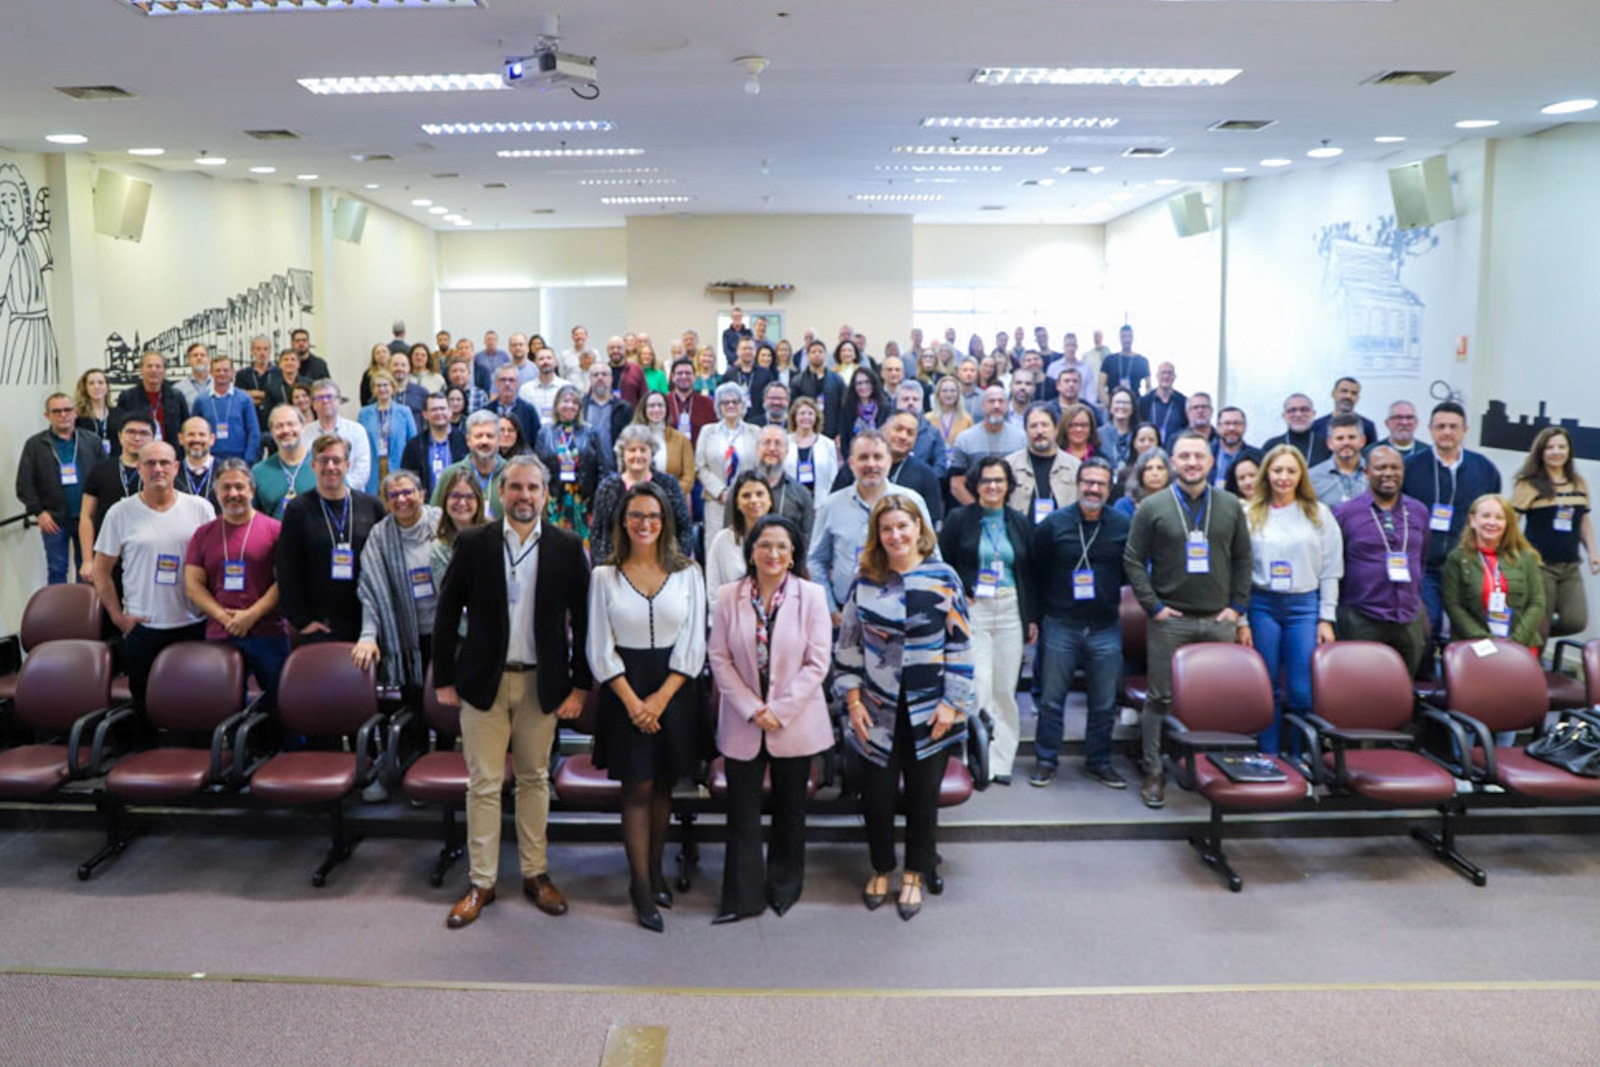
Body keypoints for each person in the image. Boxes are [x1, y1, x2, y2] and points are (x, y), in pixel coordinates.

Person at [434, 455, 591, 929]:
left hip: (543, 683)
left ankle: (535, 873)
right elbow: (445, 612)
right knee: (482, 784)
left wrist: (581, 684)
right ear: (500, 494)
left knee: (534, 779)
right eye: (516, 487)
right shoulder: (475, 542)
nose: (524, 496)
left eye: (533, 488)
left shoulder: (566, 546)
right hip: (483, 681)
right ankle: (481, 881)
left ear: (546, 494)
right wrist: (443, 678)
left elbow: (584, 621)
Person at [837, 495, 974, 922]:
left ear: (919, 527)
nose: (895, 535)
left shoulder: (943, 576)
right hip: (875, 713)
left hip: (931, 713)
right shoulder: (865, 581)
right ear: (877, 536)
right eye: (886, 529)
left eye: (903, 526)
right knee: (875, 797)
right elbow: (848, 648)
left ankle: (915, 871)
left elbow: (962, 645)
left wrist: (953, 705)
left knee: (922, 798)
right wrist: (853, 701)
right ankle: (881, 867)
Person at [587, 482, 708, 932]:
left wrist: (660, 697)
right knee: (636, 788)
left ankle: (656, 872)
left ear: (666, 521)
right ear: (623, 520)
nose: (645, 524)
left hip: (675, 691)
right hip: (625, 692)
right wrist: (634, 701)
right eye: (636, 515)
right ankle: (640, 886)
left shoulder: (688, 572)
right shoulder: (605, 575)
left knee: (662, 787)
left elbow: (695, 640)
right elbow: (598, 646)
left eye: (653, 516)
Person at [706, 514, 832, 922]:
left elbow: (817, 663)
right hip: (743, 721)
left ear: (793, 553)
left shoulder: (811, 596)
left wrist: (779, 710)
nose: (773, 553)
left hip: (795, 721)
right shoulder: (729, 596)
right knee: (742, 812)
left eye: (781, 546)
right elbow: (719, 658)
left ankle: (784, 887)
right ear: (752, 551)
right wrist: (751, 708)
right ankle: (742, 896)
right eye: (764, 545)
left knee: (790, 808)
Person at [1123, 432, 1253, 809]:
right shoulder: (1154, 506)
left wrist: (1237, 608)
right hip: (1170, 620)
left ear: (1211, 461)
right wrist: (1154, 607)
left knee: (1218, 700)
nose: (1192, 462)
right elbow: (1132, 559)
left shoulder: (1230, 505)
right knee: (1160, 699)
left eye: (1199, 456)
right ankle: (1153, 771)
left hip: (1219, 620)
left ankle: (1215, 768)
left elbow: (1244, 559)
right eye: (1184, 456)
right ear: (1173, 462)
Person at [91, 440, 215, 710]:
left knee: (196, 704)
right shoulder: (120, 512)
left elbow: (214, 564)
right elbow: (100, 571)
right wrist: (117, 617)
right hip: (143, 627)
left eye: (164, 463)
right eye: (150, 463)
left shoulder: (200, 508)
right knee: (145, 707)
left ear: (176, 467)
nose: (157, 469)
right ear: (139, 468)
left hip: (194, 623)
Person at [1030, 457, 1129, 789]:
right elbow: (1036, 570)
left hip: (1105, 626)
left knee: (1104, 702)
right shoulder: (1054, 524)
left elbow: (1131, 571)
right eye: (1088, 482)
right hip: (1061, 624)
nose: (1094, 489)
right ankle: (1045, 760)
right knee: (1051, 699)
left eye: (1101, 483)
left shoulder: (1121, 525)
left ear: (1109, 487)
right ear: (1077, 484)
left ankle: (1099, 761)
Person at [1244, 445, 1344, 755]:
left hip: (1304, 607)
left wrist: (1326, 617)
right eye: (1277, 471)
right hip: (1262, 605)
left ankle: (1301, 755)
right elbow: (1240, 569)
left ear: (1301, 474)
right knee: (1267, 688)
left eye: (1291, 470)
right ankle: (1269, 754)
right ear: (1267, 474)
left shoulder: (1319, 513)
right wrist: (1242, 619)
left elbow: (1331, 569)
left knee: (1302, 691)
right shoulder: (1250, 513)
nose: (1283, 477)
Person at [939, 457, 1033, 785]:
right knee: (977, 685)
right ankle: (973, 755)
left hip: (1009, 609)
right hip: (973, 610)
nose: (993, 487)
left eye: (999, 481)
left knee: (1005, 688)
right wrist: (958, 592)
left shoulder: (1019, 522)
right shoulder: (958, 519)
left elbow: (1028, 572)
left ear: (1008, 486)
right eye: (986, 481)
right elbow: (944, 563)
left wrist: (1031, 617)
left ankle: (1001, 760)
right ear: (975, 485)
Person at [182, 459, 290, 712]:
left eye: (240, 487)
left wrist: (250, 616)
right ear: (216, 492)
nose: (233, 494)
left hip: (268, 632)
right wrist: (225, 617)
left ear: (252, 490)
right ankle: (233, 751)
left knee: (281, 704)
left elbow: (283, 581)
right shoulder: (203, 534)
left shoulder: (275, 530)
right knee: (222, 706)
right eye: (226, 487)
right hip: (221, 633)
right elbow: (193, 585)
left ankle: (286, 751)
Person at [807, 430, 936, 622]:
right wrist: (831, 610)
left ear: (889, 461)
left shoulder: (912, 501)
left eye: (877, 457)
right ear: (851, 463)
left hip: (906, 612)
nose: (871, 464)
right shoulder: (831, 505)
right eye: (863, 457)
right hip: (849, 614)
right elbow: (816, 560)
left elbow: (931, 555)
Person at [1402, 401, 1502, 641]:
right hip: (1424, 564)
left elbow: (1495, 515)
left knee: (1468, 626)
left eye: (1453, 426)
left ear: (1465, 430)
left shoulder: (1484, 469)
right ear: (1430, 429)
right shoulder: (1411, 467)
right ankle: (1424, 677)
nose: (1446, 432)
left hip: (1468, 562)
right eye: (1440, 426)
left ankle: (1461, 676)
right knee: (1429, 624)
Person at [275, 434, 386, 644]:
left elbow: (385, 561)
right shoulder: (298, 509)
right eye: (324, 460)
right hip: (318, 623)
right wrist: (301, 621)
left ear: (348, 464)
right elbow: (286, 568)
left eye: (337, 460)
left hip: (367, 620)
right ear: (313, 465)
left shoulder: (371, 506)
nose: (331, 466)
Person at [1332, 445, 1431, 678]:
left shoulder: (1419, 511)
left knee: (1404, 691)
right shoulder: (1346, 513)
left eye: (1395, 467)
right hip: (1362, 616)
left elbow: (1422, 559)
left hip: (1407, 616)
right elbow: (1335, 564)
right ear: (1366, 472)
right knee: (1360, 688)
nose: (1388, 473)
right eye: (1381, 467)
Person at [353, 469, 443, 705]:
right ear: (386, 502)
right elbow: (371, 591)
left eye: (407, 492)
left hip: (447, 632)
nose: (401, 500)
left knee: (445, 707)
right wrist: (368, 636)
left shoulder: (442, 524)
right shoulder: (379, 536)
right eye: (393, 495)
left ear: (422, 495)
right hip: (406, 639)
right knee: (414, 712)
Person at [1511, 427, 1598, 637]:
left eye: (1561, 446)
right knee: (1541, 620)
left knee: (1575, 621)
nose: (1556, 452)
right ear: (1540, 452)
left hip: (1570, 566)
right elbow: (1512, 521)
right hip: (1541, 566)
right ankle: (1530, 651)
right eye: (1550, 447)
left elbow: (1583, 521)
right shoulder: (1528, 483)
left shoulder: (1579, 482)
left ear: (1569, 451)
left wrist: (1593, 554)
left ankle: (1523, 634)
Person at [1442, 494, 1546, 654]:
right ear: (1473, 520)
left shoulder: (1526, 557)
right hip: (1475, 647)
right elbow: (1453, 605)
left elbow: (1536, 603)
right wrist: (1487, 642)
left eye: (1499, 518)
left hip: (1521, 646)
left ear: (1508, 523)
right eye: (1485, 516)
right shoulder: (1457, 558)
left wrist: (1515, 642)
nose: (1492, 522)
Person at [17, 392, 102, 584]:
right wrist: (39, 512)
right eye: (56, 411)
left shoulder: (92, 441)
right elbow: (24, 485)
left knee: (87, 569)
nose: (63, 415)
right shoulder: (35, 445)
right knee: (57, 569)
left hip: (87, 518)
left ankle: (84, 612)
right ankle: (58, 614)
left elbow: (102, 478)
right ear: (47, 416)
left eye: (67, 410)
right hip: (54, 519)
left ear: (76, 413)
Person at [590, 425, 693, 566]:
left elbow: (684, 528)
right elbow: (598, 533)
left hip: (661, 567)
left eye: (643, 450)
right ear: (623, 453)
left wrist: (673, 562)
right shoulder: (608, 487)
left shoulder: (668, 484)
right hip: (616, 567)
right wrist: (607, 566)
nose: (638, 455)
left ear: (652, 453)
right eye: (632, 450)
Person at [77, 413, 151, 582]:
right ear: (120, 436)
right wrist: (88, 560)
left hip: (146, 553)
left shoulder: (159, 472)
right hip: (108, 553)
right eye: (131, 432)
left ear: (153, 438)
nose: (137, 438)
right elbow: (86, 516)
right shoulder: (100, 470)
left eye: (144, 433)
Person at [532, 385, 602, 539]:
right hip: (554, 500)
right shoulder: (545, 432)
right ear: (557, 405)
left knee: (582, 548)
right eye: (566, 401)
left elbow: (601, 468)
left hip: (583, 501)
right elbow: (536, 468)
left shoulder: (590, 432)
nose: (570, 405)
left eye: (575, 402)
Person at [695, 382, 762, 536]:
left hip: (747, 499)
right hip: (716, 501)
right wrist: (721, 492)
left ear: (743, 405)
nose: (730, 405)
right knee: (716, 546)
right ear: (719, 406)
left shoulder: (755, 432)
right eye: (725, 402)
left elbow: (759, 466)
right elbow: (699, 466)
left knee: (746, 543)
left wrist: (742, 492)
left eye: (735, 402)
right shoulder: (708, 431)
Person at [948, 386, 1027, 506]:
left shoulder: (1021, 439)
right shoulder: (965, 440)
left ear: (1007, 406)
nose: (996, 406)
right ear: (982, 406)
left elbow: (1024, 481)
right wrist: (978, 510)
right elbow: (956, 485)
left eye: (1001, 401)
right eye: (991, 401)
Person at [1005, 403, 1079, 525]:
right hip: (1021, 538)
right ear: (1025, 430)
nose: (1039, 431)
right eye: (1033, 426)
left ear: (1056, 429)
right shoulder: (1009, 465)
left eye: (1045, 425)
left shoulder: (1075, 467)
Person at [706, 469, 776, 590]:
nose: (753, 500)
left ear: (770, 500)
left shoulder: (784, 538)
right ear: (737, 503)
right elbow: (713, 592)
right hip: (731, 608)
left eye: (760, 494)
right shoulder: (722, 540)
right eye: (746, 495)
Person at [299, 379, 372, 493]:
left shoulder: (357, 431)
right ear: (313, 404)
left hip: (351, 495)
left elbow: (362, 469)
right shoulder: (304, 433)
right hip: (315, 496)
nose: (325, 401)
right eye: (320, 398)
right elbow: (304, 468)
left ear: (339, 401)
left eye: (330, 396)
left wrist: (339, 490)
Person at [432, 410, 507, 520]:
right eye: (478, 436)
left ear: (499, 440)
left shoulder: (512, 474)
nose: (484, 441)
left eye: (490, 436)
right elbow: (435, 516)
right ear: (468, 441)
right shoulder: (451, 474)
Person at [749, 424, 815, 544]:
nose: (772, 448)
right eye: (766, 442)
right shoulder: (740, 489)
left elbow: (808, 540)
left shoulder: (801, 494)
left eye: (778, 443)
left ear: (787, 451)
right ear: (757, 449)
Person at [191, 353, 261, 464]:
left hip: (240, 458)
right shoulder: (201, 400)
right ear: (211, 373)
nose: (222, 373)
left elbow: (253, 431)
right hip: (209, 458)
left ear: (233, 372)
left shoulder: (244, 398)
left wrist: (249, 459)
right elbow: (193, 430)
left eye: (226, 370)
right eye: (218, 370)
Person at [358, 372, 418, 493]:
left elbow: (413, 442)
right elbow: (360, 441)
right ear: (373, 389)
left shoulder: (404, 412)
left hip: (397, 463)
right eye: (378, 386)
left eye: (385, 385)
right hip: (374, 464)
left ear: (393, 387)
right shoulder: (364, 413)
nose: (382, 389)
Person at [631, 389, 696, 501]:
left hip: (673, 501)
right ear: (644, 409)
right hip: (639, 499)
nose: (656, 409)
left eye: (660, 405)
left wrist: (668, 494)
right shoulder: (633, 438)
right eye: (651, 406)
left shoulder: (681, 440)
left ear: (666, 409)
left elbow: (688, 477)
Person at [113, 349, 189, 444]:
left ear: (164, 370)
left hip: (171, 452)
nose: (153, 370)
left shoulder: (177, 396)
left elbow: (185, 427)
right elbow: (122, 428)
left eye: (158, 366)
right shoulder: (128, 397)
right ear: (141, 369)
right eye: (149, 366)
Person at [252, 406, 315, 519]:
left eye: (291, 424)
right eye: (279, 426)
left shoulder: (324, 467)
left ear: (303, 426)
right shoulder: (258, 472)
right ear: (271, 432)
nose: (286, 430)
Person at [401, 393, 468, 498]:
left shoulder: (464, 441)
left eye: (442, 408)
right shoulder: (414, 446)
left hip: (459, 503)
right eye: (434, 409)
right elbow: (407, 479)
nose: (439, 413)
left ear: (450, 412)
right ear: (425, 414)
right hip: (426, 508)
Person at [429, 468, 486, 588]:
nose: (462, 503)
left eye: (469, 497)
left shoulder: (493, 537)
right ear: (445, 500)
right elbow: (447, 594)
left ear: (479, 501)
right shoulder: (438, 549)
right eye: (455, 496)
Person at [784, 396, 839, 502]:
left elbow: (833, 476)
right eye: (802, 413)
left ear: (816, 417)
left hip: (821, 502)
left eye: (810, 413)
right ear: (794, 416)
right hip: (791, 501)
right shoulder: (784, 442)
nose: (806, 417)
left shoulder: (828, 444)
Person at [1308, 413, 1368, 507]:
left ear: (1362, 441)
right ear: (1330, 443)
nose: (1346, 442)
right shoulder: (1312, 477)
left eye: (1352, 437)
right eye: (1340, 438)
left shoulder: (1377, 473)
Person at [581, 364, 630, 470]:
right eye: (595, 375)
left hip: (614, 469)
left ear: (611, 379)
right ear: (590, 379)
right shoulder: (581, 406)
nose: (600, 378)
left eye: (604, 374)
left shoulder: (623, 408)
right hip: (586, 471)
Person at [484, 365, 542, 453]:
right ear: (496, 383)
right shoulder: (486, 412)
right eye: (503, 380)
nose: (507, 384)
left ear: (517, 383)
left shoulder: (529, 410)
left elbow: (536, 441)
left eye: (511, 380)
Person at [1262, 393, 1331, 467]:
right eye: (1292, 410)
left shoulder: (1327, 445)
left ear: (1313, 414)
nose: (1298, 414)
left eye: (1304, 410)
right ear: (1284, 416)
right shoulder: (1271, 446)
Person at [1310, 376, 1378, 447]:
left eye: (1353, 393)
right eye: (1344, 391)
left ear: (1358, 398)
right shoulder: (1317, 426)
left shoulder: (1367, 426)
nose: (1348, 396)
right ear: (1333, 394)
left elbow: (1371, 454)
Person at [837, 367, 889, 456]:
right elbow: (844, 440)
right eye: (859, 383)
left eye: (867, 382)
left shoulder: (885, 408)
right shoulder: (848, 409)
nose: (863, 387)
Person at [175, 416, 221, 514]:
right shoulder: (172, 473)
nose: (197, 439)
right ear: (181, 438)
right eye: (191, 434)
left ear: (212, 439)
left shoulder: (225, 471)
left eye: (202, 434)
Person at [666, 359, 716, 446]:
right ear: (672, 377)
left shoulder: (708, 404)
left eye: (688, 373)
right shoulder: (664, 402)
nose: (684, 376)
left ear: (695, 377)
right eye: (680, 373)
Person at [1210, 406, 1258, 491]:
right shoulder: (1206, 454)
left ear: (1244, 427)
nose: (1232, 428)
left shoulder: (1257, 457)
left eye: (1236, 423)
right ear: (1218, 427)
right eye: (1227, 423)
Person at [1114, 446, 1171, 518]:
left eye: (1160, 468)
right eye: (1149, 468)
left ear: (1168, 474)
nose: (1155, 473)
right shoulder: (1124, 505)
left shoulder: (1177, 503)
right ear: (1140, 473)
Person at [1137, 362, 1186, 443]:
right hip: (1149, 449)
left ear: (1174, 377)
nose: (1166, 376)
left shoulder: (1183, 402)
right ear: (1157, 376)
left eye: (1169, 373)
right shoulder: (1144, 402)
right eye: (1163, 373)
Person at [1098, 325, 1150, 398]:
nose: (1126, 339)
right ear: (1120, 338)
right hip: (1113, 404)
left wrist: (1142, 404)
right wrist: (1109, 405)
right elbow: (1100, 386)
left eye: (1129, 336)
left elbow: (1149, 386)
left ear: (1133, 338)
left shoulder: (1142, 361)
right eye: (1123, 336)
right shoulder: (1109, 360)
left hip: (1135, 404)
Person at [74, 367, 115, 454]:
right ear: (85, 388)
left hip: (113, 462)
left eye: (100, 383)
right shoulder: (77, 415)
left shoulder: (118, 413)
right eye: (91, 383)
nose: (96, 387)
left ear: (107, 387)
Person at [1098, 387, 1138, 471]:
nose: (1122, 406)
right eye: (1118, 402)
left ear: (1133, 408)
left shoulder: (1139, 433)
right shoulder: (1098, 434)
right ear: (1110, 407)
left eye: (1126, 403)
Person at [174, 342, 213, 410]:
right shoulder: (178, 389)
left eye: (202, 355)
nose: (199, 358)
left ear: (209, 360)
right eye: (195, 355)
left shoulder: (220, 386)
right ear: (189, 360)